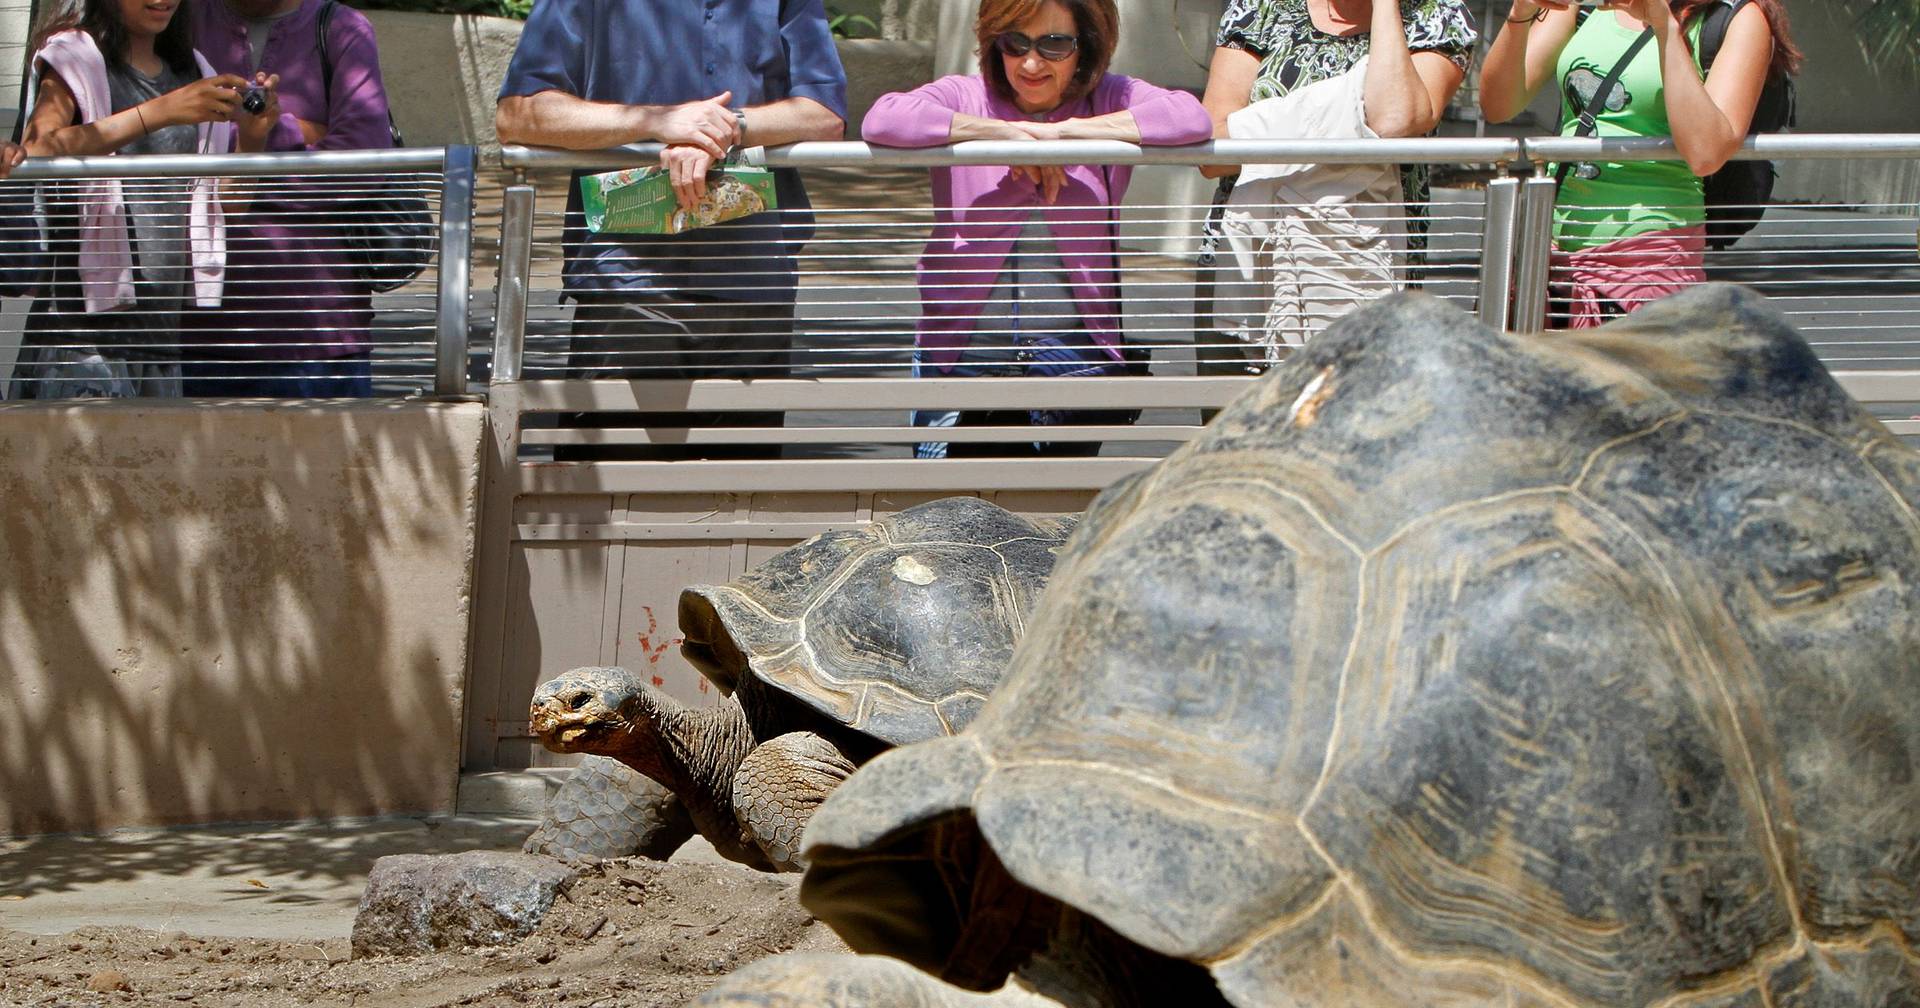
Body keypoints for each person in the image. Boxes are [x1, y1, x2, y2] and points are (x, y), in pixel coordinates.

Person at [494, 0, 849, 460]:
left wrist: (724, 129)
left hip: (751, 286)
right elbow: (518, 116)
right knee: (608, 487)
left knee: (742, 489)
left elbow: (825, 112)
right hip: (628, 284)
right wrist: (657, 121)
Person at [863, 0, 1211, 458]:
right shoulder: (965, 95)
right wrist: (1000, 134)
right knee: (946, 498)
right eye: (1015, 43)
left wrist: (1063, 135)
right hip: (962, 358)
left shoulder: (1110, 96)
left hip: (1069, 362)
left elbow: (1190, 117)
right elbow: (883, 118)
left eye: (1054, 44)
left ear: (1085, 46)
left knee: (1056, 499)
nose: (1031, 63)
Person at [12, 0, 277, 400]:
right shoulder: (73, 54)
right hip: (83, 344)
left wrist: (253, 140)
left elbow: (224, 209)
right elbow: (37, 150)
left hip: (160, 343)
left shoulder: (194, 70)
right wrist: (160, 112)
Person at [1479, 0, 1801, 327]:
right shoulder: (1583, 7)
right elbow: (1498, 105)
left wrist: (1665, 28)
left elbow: (1706, 153)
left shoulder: (1737, 18)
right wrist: (1520, 14)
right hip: (1552, 257)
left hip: (1646, 265)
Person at [1195, 0, 1476, 371]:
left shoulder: (1438, 15)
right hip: (1244, 263)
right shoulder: (1259, 7)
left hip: (1363, 270)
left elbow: (1395, 119)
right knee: (1230, 408)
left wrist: (1385, 6)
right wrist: (1346, 112)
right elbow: (1214, 151)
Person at [182, 0, 400, 396]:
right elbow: (160, 140)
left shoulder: (343, 28)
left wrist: (246, 152)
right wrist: (303, 133)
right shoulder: (181, 18)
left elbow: (361, 164)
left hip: (317, 333)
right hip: (191, 332)